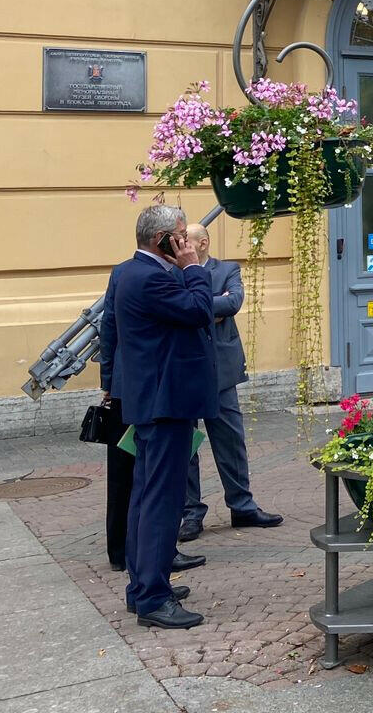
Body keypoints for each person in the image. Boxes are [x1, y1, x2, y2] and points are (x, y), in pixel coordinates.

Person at [111, 204, 219, 629]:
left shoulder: (129, 272)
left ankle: (143, 587)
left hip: (154, 400)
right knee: (161, 500)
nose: (188, 243)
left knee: (145, 496)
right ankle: (153, 597)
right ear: (163, 242)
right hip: (165, 402)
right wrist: (193, 266)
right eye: (181, 236)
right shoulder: (151, 277)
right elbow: (198, 309)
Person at [178, 223, 283, 542]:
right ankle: (190, 512)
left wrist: (198, 307)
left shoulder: (227, 270)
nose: (182, 247)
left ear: (203, 243)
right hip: (183, 369)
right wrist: (211, 306)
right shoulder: (174, 272)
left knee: (230, 441)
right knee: (185, 445)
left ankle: (242, 506)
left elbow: (233, 302)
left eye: (188, 242)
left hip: (221, 370)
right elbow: (180, 307)